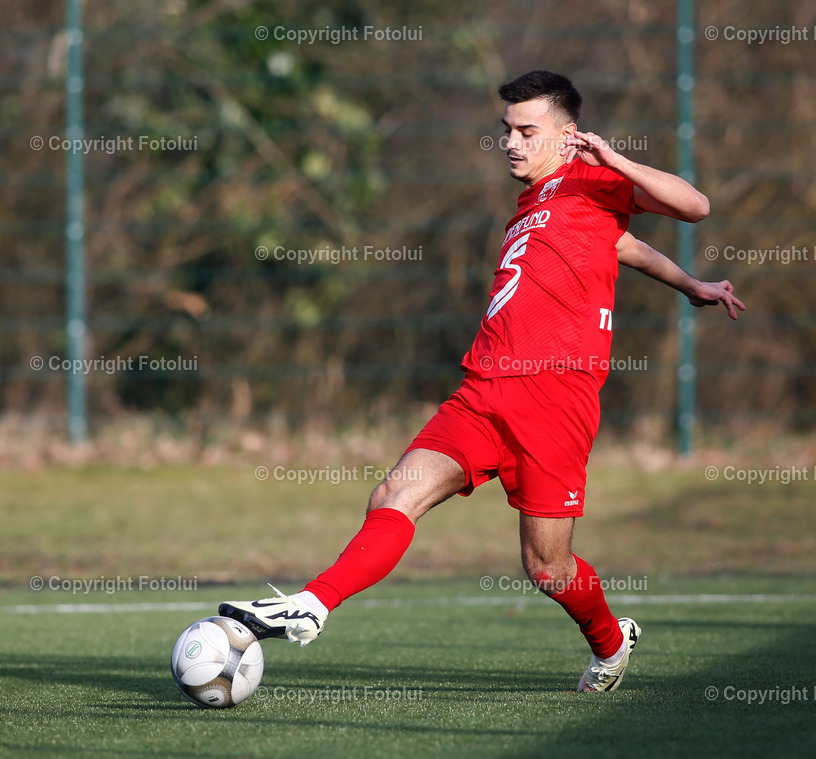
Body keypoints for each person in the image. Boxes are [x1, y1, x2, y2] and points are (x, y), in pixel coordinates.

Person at [220, 70, 744, 692]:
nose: (512, 144)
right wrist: (691, 286)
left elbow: (696, 207)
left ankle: (611, 640)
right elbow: (622, 247)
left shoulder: (595, 178)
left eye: (528, 131)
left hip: (556, 396)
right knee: (394, 493)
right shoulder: (532, 206)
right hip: (484, 387)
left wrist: (612, 157)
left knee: (546, 567)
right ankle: (314, 604)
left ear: (568, 136)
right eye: (506, 131)